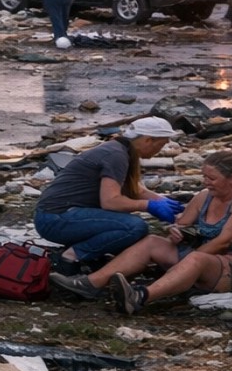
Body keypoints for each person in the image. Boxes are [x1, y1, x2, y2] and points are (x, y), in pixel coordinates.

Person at [51, 150, 232, 310]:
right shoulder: (205, 196)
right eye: (204, 177)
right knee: (152, 241)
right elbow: (182, 223)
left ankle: (139, 297)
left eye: (212, 178)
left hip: (231, 266)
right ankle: (90, 283)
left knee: (195, 259)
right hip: (199, 257)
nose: (206, 182)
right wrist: (175, 231)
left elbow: (225, 241)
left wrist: (187, 260)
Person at [32, 117, 181, 275]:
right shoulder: (116, 155)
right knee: (134, 227)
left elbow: (136, 190)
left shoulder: (120, 149)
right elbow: (110, 202)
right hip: (55, 218)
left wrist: (169, 205)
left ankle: (89, 256)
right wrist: (148, 206)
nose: (161, 149)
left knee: (129, 230)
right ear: (148, 140)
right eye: (162, 144)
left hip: (61, 215)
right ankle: (70, 257)